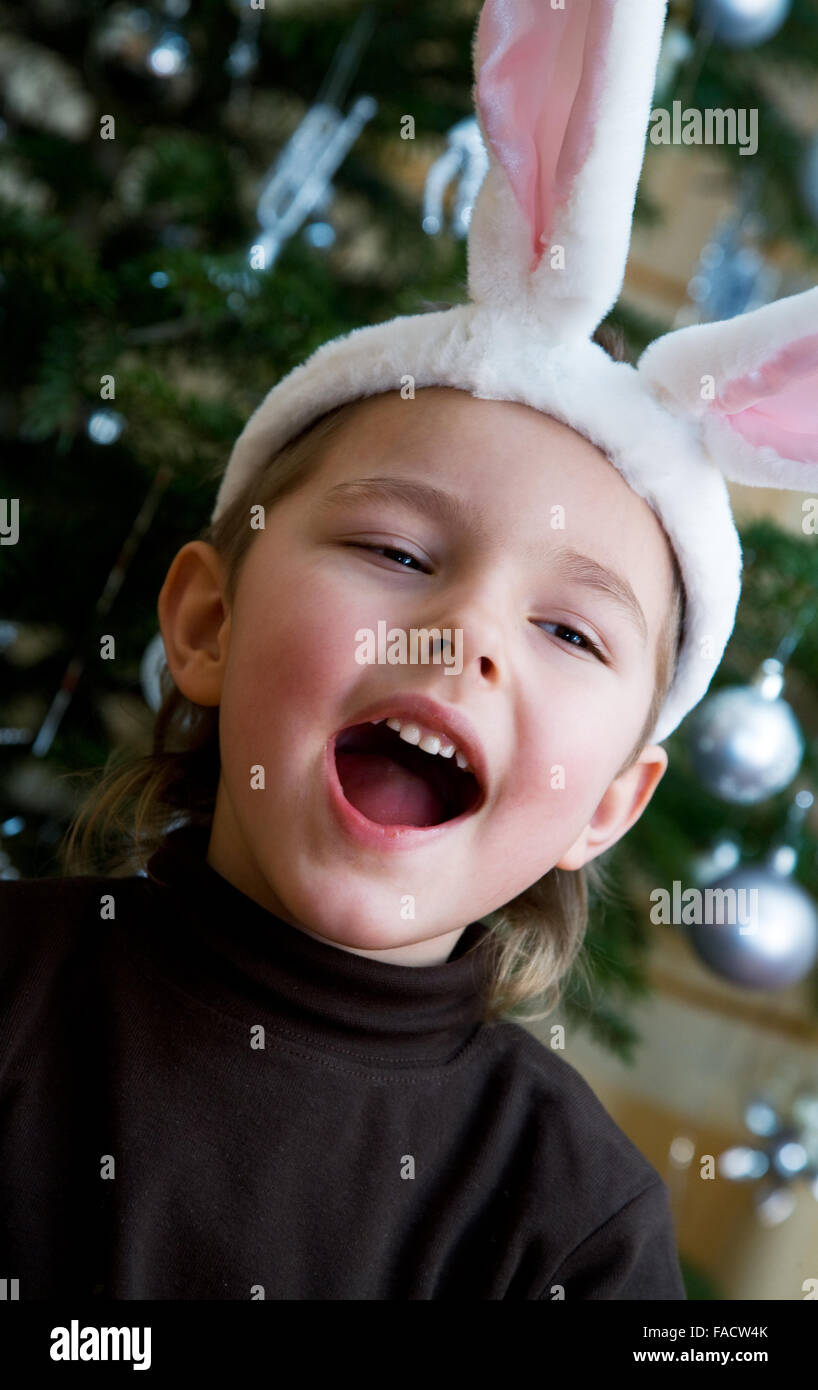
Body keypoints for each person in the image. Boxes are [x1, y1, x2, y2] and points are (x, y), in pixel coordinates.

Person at [2, 0, 817, 1301]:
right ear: (208, 622)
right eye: (396, 552)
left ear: (609, 802)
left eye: (567, 628)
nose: (464, 635)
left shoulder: (569, 1216)